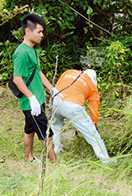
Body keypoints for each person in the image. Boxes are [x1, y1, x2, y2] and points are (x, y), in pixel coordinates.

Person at [12, 13, 63, 163]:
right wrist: (31, 98)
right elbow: (17, 79)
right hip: (31, 102)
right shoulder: (21, 52)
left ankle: (29, 158)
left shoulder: (32, 50)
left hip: (37, 99)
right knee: (47, 133)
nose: (42, 35)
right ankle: (54, 164)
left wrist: (51, 89)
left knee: (30, 130)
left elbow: (38, 72)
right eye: (39, 32)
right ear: (28, 31)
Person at [51, 68, 117, 165]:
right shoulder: (91, 84)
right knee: (92, 134)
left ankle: (56, 149)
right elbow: (94, 106)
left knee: (56, 126)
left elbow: (57, 87)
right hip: (72, 105)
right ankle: (105, 160)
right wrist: (93, 123)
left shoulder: (68, 72)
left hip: (55, 101)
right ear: (94, 79)